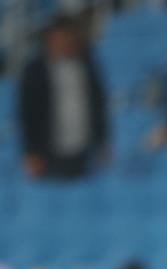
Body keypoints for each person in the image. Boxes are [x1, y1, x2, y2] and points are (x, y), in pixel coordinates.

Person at [18, 14, 109, 180]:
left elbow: (98, 104)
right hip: (47, 151)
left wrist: (102, 140)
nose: (67, 41)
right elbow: (27, 113)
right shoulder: (35, 71)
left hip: (82, 150)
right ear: (50, 38)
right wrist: (31, 151)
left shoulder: (87, 65)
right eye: (62, 36)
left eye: (71, 36)